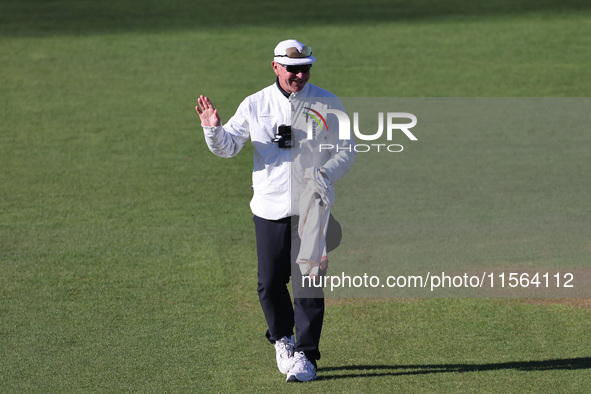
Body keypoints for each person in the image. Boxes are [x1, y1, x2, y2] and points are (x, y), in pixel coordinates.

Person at [195, 39, 355, 382]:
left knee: (308, 283)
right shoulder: (255, 105)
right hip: (269, 207)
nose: (299, 75)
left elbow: (347, 150)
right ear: (275, 67)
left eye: (306, 68)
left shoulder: (327, 102)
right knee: (269, 283)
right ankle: (283, 339)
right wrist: (213, 129)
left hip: (311, 207)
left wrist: (324, 173)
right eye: (293, 69)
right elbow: (227, 148)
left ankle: (307, 356)